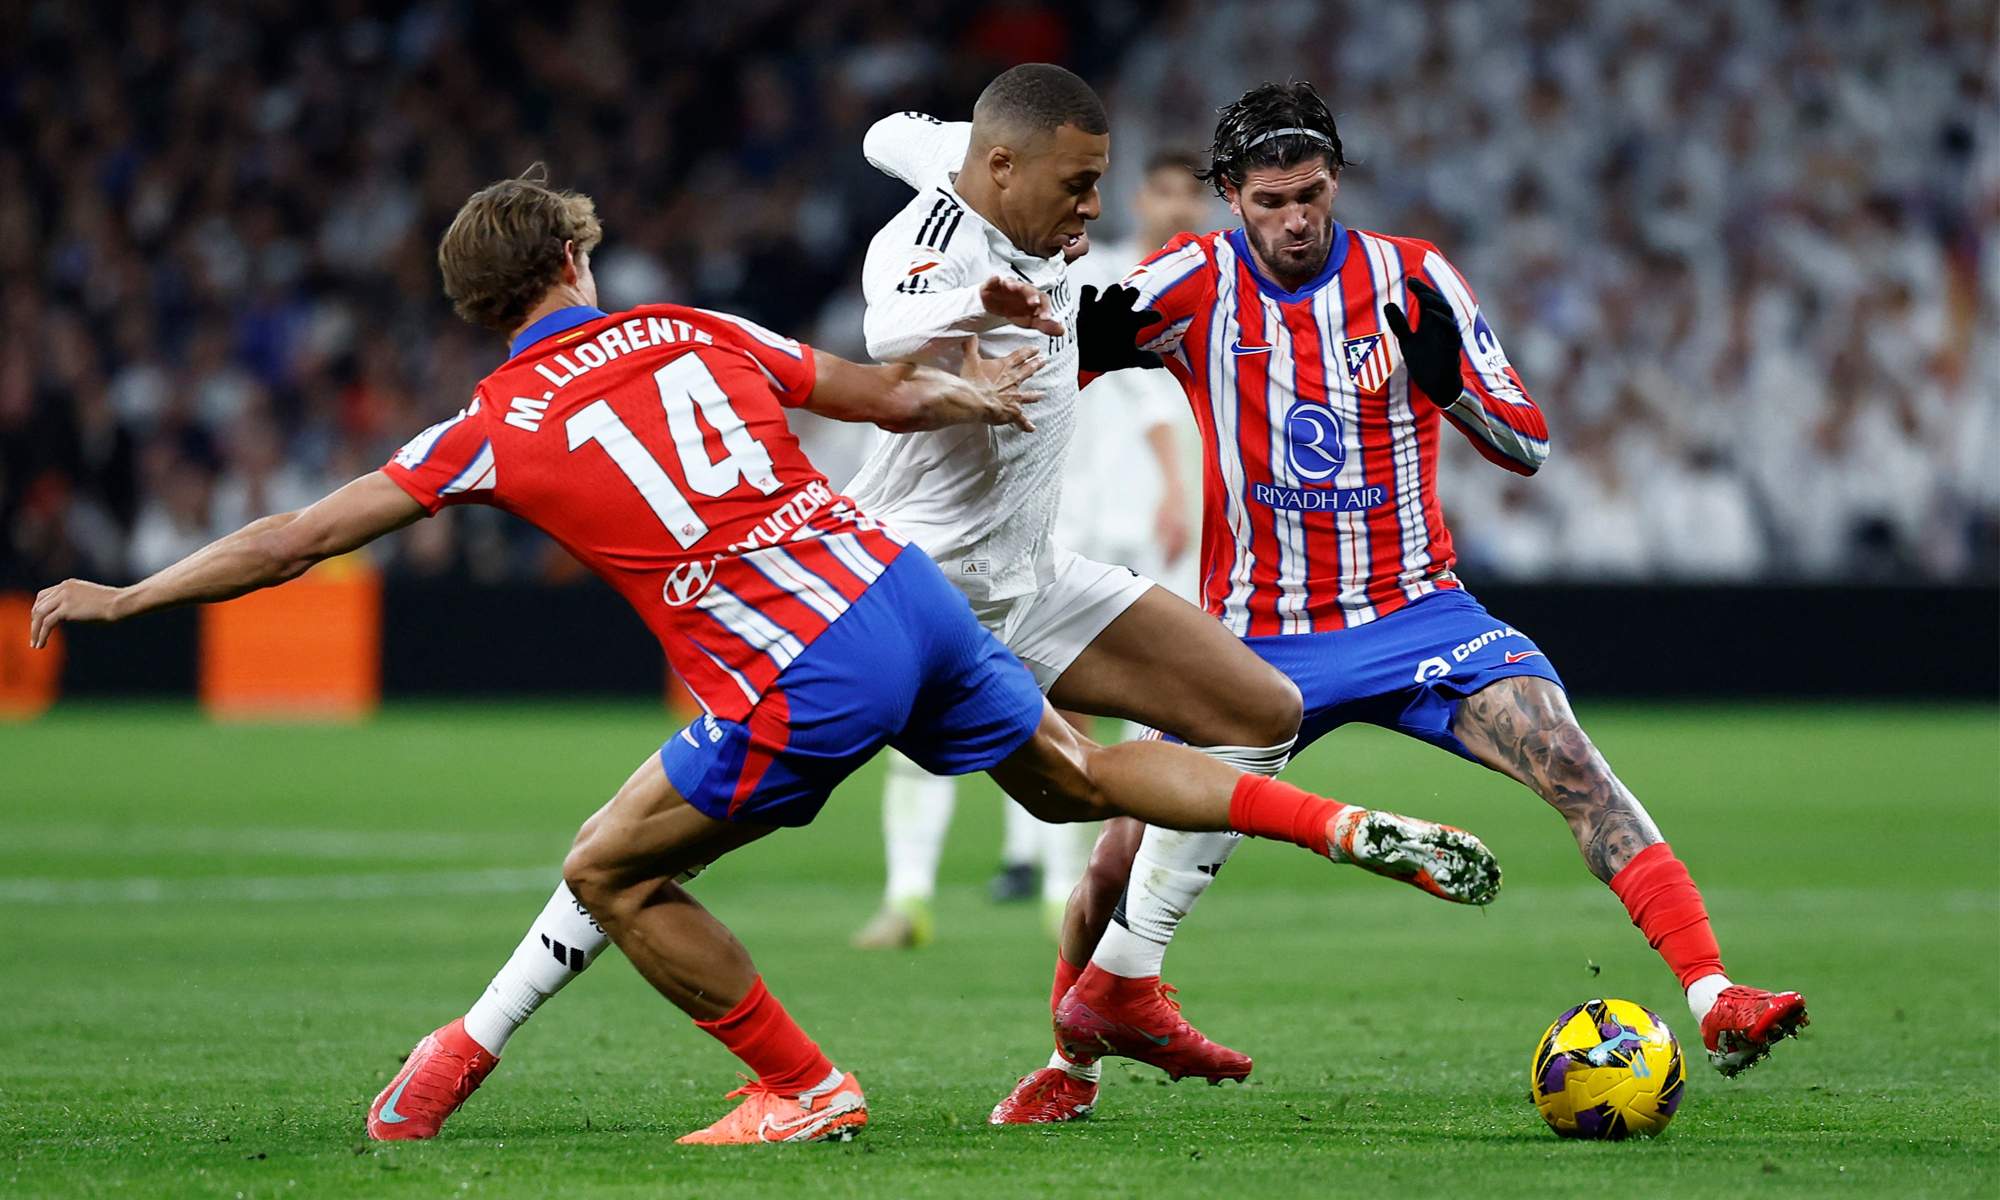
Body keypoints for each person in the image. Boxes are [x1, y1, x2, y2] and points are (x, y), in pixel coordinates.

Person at [31, 164, 1506, 1146]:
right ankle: (1331, 817)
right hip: (899, 586)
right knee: (1076, 782)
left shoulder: (486, 427)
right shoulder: (685, 323)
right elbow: (875, 394)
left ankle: (800, 1084)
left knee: (609, 865)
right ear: (571, 259)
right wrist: (977, 393)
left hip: (798, 662)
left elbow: (295, 536)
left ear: (481, 308)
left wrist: (130, 597)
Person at [988, 81, 1811, 1124]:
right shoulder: (1188, 280)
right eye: (1271, 199)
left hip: (1415, 614)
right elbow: (1038, 384)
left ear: (1336, 181)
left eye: (1313, 194)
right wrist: (1066, 349)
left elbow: (1529, 442)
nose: (1294, 219)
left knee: (1570, 763)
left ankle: (1711, 993)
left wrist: (1448, 384)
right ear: (1229, 194)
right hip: (1250, 635)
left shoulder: (1410, 278)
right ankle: (1075, 1064)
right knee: (1114, 854)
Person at [850, 140, 1211, 949]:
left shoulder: (1185, 284)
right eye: (1157, 191)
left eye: (1191, 196)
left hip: (1104, 526)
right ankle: (912, 893)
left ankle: (1070, 888)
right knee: (933, 703)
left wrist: (1182, 490)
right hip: (1011, 517)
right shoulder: (1069, 263)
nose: (1176, 208)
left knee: (1093, 715)